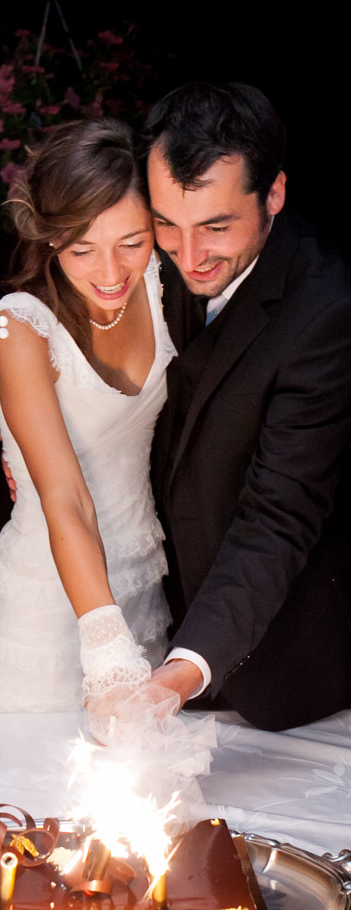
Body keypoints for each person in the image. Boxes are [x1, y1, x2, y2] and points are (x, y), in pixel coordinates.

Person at [145, 81, 351, 730]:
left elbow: (276, 518)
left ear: (274, 196)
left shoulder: (326, 315)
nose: (187, 256)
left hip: (271, 666)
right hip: (146, 616)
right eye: (166, 226)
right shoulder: (142, 256)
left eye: (214, 227)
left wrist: (181, 671)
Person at [0, 118, 175, 713]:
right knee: (35, 800)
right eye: (82, 249)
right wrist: (107, 650)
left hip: (141, 579)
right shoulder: (18, 328)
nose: (111, 274)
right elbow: (64, 496)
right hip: (48, 603)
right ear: (49, 236)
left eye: (131, 243)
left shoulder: (167, 285)